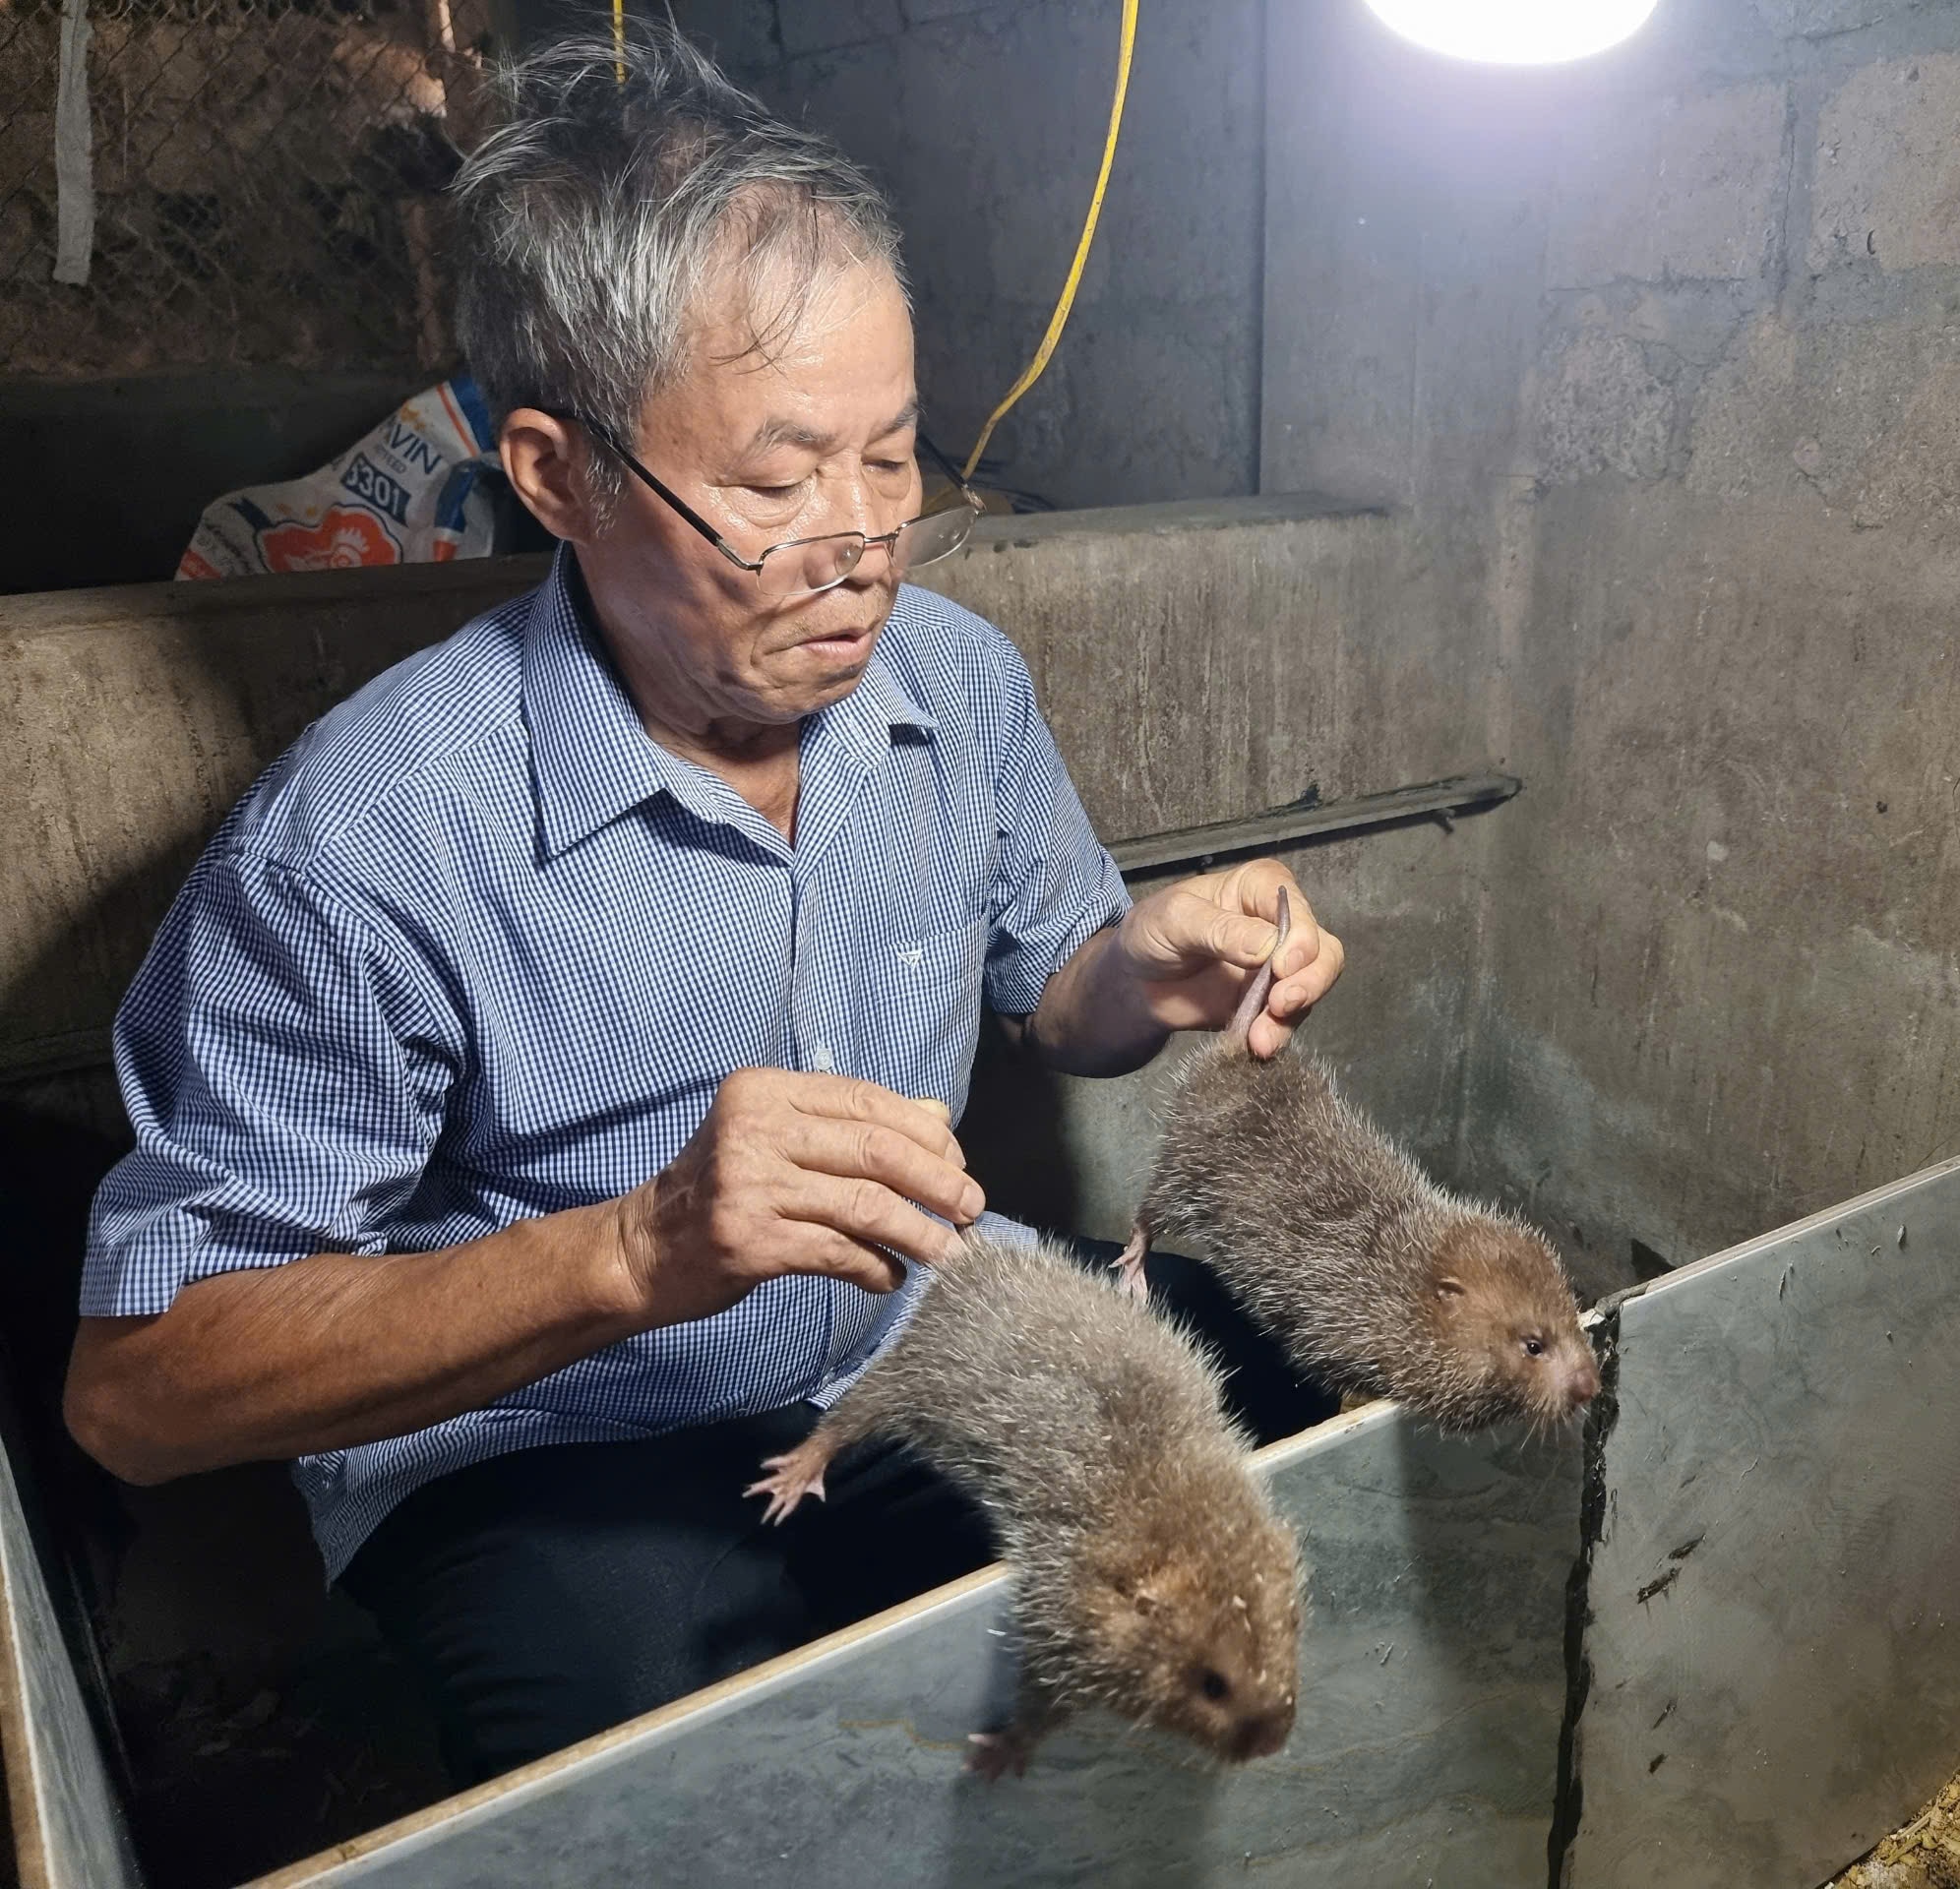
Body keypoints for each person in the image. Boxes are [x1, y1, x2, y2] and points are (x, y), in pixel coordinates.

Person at [60, 28, 1344, 1788]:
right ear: (559, 476)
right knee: (679, 1753)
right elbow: (138, 1392)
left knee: (1285, 1422)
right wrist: (629, 1251)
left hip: (925, 1340)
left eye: (894, 460)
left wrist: (1147, 964)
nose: (860, 543)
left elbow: (1057, 993)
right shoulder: (361, 844)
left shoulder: (955, 686)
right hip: (554, 1451)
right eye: (772, 480)